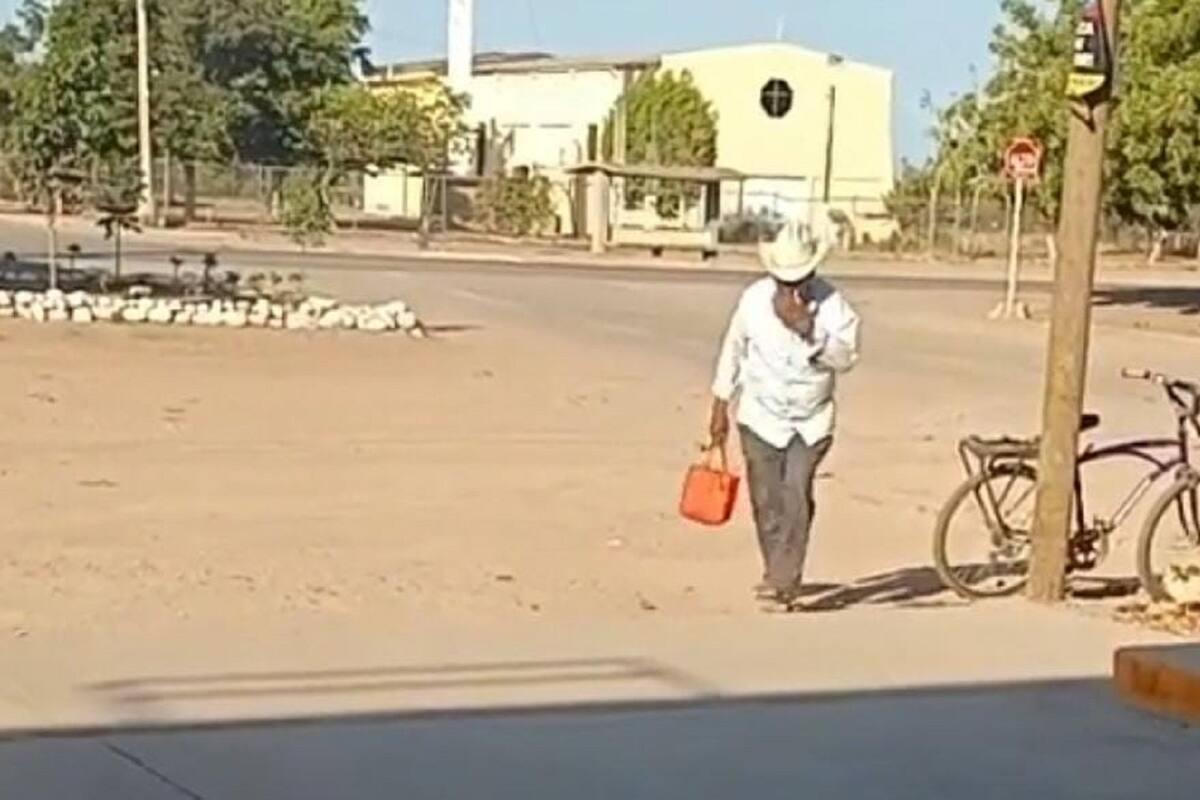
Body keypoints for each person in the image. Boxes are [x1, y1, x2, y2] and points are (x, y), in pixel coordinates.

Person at [708, 208, 861, 612]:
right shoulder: (753, 301)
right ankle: (775, 565)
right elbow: (734, 349)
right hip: (760, 415)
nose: (793, 289)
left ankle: (784, 579)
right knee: (765, 498)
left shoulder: (834, 307)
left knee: (795, 492)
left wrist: (808, 330)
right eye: (784, 281)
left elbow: (846, 358)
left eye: (800, 281)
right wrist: (720, 404)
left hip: (811, 420)